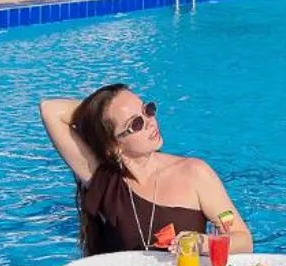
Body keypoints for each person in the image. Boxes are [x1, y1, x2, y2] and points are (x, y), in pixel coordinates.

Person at [39, 84, 255, 256]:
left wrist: (204, 244)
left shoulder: (194, 173)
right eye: (136, 124)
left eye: (147, 110)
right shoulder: (105, 181)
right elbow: (50, 109)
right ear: (114, 146)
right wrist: (99, 117)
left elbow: (243, 240)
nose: (151, 122)